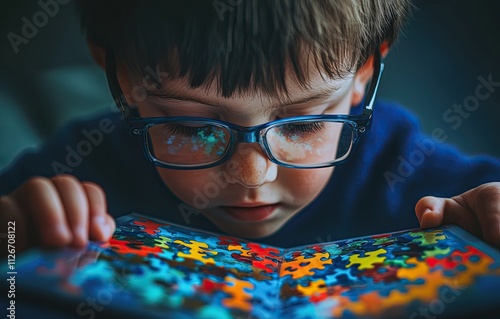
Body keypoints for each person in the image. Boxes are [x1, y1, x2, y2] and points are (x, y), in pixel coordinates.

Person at [0, 0, 499, 253]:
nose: (251, 176)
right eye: (194, 128)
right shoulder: (77, 177)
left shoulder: (428, 183)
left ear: (363, 75)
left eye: (302, 124)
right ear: (124, 79)